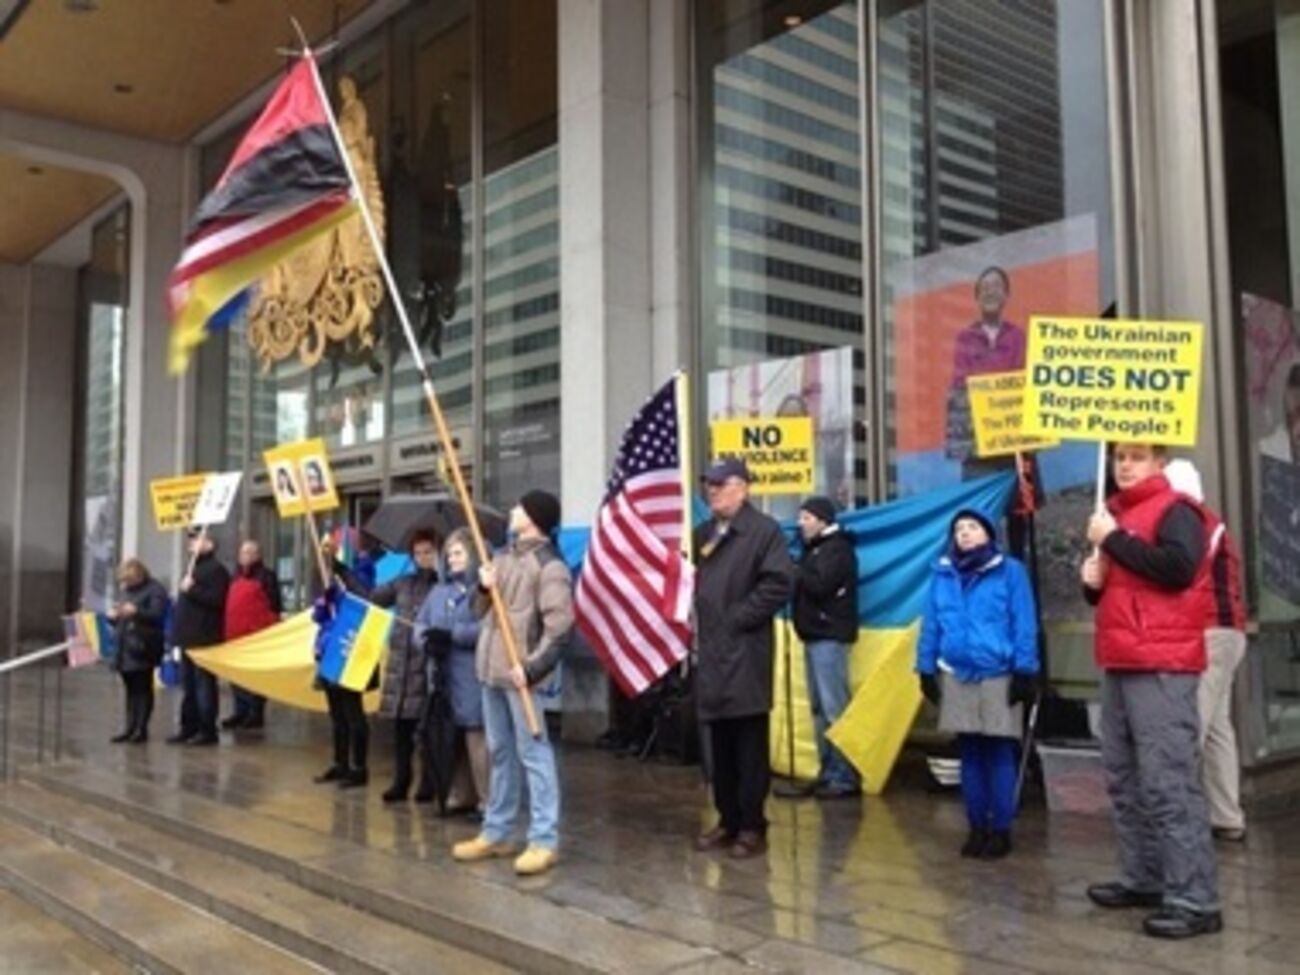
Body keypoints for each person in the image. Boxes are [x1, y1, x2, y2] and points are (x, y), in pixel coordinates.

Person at [1081, 443, 1222, 939]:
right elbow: (1121, 585)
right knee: (1123, 776)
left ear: (1159, 463)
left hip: (1161, 661)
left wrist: (1114, 541)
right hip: (1121, 656)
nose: (1124, 464)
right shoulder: (1116, 515)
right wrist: (1092, 582)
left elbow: (1178, 568)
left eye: (1136, 457)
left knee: (1168, 780)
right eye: (1119, 456)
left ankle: (1195, 897)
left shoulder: (1176, 509)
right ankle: (1144, 876)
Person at [453, 490, 572, 877]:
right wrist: (485, 587)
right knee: (499, 751)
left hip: (522, 678)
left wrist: (534, 668)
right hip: (491, 671)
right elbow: (478, 611)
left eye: (519, 506)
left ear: (534, 517)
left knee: (534, 754)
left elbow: (559, 628)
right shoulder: (501, 558)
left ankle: (544, 839)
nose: (513, 509)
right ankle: (498, 831)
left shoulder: (549, 566)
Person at [915, 509, 1039, 859]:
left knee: (998, 752)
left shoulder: (1010, 571)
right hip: (957, 672)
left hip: (998, 671)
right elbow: (932, 624)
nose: (964, 533)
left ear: (988, 532)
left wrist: (1025, 668)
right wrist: (925, 668)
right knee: (969, 752)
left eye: (972, 527)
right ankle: (976, 827)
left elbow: (1023, 621)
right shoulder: (942, 574)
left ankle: (1000, 828)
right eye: (958, 529)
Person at [692, 458, 794, 859]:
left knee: (748, 743)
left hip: (745, 653)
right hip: (712, 655)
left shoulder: (763, 531)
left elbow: (779, 583)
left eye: (721, 483)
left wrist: (735, 619)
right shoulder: (703, 533)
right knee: (719, 744)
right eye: (709, 484)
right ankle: (727, 819)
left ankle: (752, 825)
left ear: (744, 488)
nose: (713, 490)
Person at [1164, 460, 1249, 842]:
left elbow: (1181, 576)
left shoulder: (1191, 525)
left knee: (1189, 727)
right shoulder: (1213, 524)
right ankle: (1226, 815)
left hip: (1209, 633)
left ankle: (1180, 822)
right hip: (1228, 632)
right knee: (1216, 730)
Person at [776, 495, 861, 800]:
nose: (801, 523)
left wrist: (796, 570)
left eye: (806, 518)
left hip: (828, 635)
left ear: (823, 520)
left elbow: (820, 585)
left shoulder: (836, 550)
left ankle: (843, 774)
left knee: (833, 706)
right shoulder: (818, 550)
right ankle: (829, 771)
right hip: (815, 634)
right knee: (819, 707)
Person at [415, 528, 487, 814]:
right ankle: (460, 793)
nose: (453, 559)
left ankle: (488, 798)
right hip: (442, 675)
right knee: (450, 737)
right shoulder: (438, 591)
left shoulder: (481, 590)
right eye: (450, 554)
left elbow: (488, 629)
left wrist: (453, 635)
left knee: (476, 738)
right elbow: (419, 625)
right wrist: (426, 641)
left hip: (471, 673)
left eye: (459, 553)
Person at [371, 531, 440, 803]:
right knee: (401, 731)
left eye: (429, 552)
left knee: (425, 730)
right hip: (401, 667)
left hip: (426, 667)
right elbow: (373, 596)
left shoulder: (442, 586)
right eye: (419, 553)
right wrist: (344, 574)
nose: (423, 557)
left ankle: (428, 782)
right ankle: (401, 780)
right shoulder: (403, 583)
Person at [313, 539, 374, 789]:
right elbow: (320, 616)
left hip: (352, 647)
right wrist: (325, 599)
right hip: (331, 647)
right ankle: (341, 762)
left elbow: (364, 597)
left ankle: (359, 767)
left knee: (353, 712)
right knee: (337, 713)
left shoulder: (365, 572)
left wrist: (342, 573)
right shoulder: (335, 582)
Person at [168, 530, 230, 746]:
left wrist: (192, 589)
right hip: (187, 636)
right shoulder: (192, 568)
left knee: (204, 685)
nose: (191, 543)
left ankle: (207, 729)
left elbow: (217, 600)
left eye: (197, 539)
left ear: (210, 544)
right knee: (188, 686)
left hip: (204, 636)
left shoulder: (217, 571)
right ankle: (188, 727)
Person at [221, 540, 281, 732]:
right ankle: (240, 711)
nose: (243, 556)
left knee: (255, 676)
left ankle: (255, 713)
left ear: (257, 555)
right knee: (236, 676)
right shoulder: (235, 576)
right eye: (242, 552)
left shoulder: (267, 576)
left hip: (257, 635)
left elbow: (274, 605)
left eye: (248, 552)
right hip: (235, 634)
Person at [106, 558, 169, 744]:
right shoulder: (126, 591)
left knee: (142, 688)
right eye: (125, 581)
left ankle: (141, 728)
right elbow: (121, 617)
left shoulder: (155, 589)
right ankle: (130, 726)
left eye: (130, 580)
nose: (127, 584)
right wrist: (114, 616)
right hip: (125, 644)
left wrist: (136, 611)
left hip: (143, 645)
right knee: (130, 689)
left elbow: (158, 615)